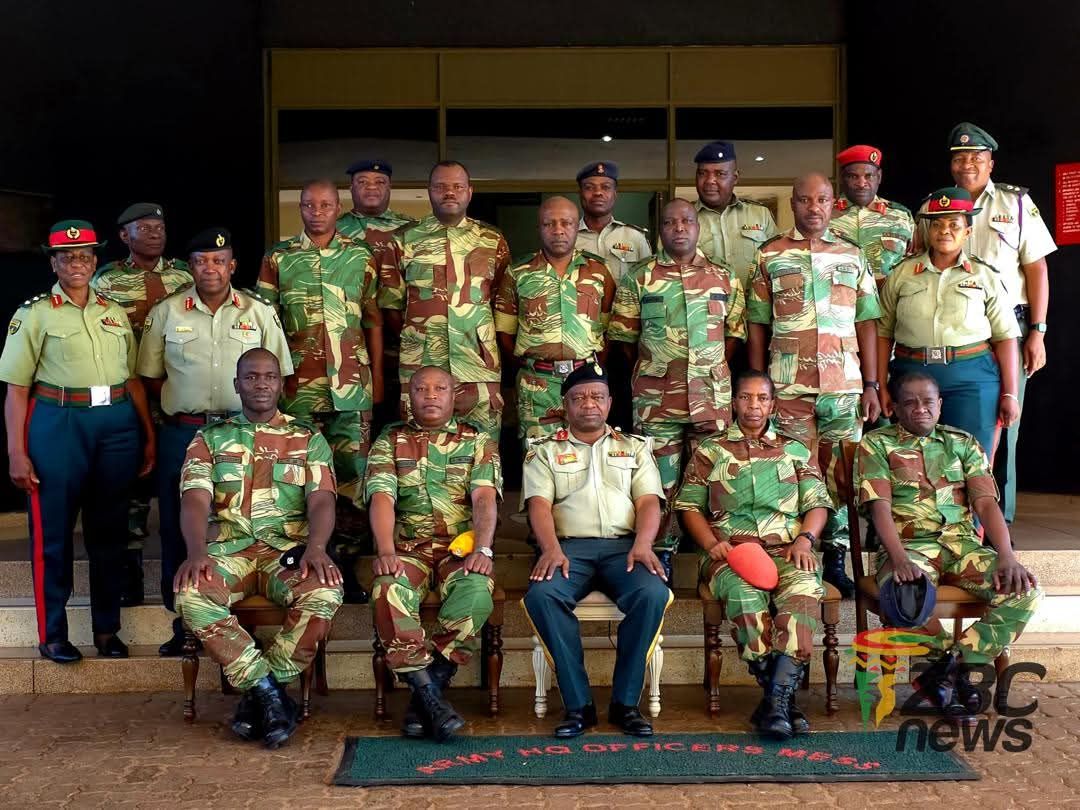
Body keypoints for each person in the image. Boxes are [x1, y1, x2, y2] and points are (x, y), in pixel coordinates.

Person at [0, 220, 155, 663]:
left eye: (85, 255)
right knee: (53, 534)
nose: (77, 263)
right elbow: (16, 389)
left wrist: (145, 436)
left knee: (109, 532)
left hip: (117, 423)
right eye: (67, 256)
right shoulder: (34, 313)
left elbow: (133, 379)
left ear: (95, 261)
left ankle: (107, 630)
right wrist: (16, 449)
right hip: (58, 421)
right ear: (53, 262)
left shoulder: (112, 309)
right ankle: (52, 635)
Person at [173, 348, 343, 749]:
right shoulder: (209, 439)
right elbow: (194, 498)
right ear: (237, 384)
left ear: (280, 384)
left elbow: (322, 499)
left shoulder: (307, 438)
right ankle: (267, 690)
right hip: (229, 551)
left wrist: (317, 547)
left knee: (325, 593)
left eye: (269, 376)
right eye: (251, 377)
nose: (260, 383)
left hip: (287, 553)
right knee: (191, 594)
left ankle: (261, 694)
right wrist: (197, 552)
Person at [137, 227, 293, 656]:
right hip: (185, 432)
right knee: (176, 522)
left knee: (251, 519)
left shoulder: (259, 312)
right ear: (190, 266)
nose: (211, 268)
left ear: (233, 266)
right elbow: (150, 377)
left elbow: (279, 373)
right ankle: (183, 620)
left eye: (219, 261)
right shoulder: (168, 312)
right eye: (202, 260)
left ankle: (240, 614)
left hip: (247, 432)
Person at [855, 371, 1043, 717]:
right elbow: (878, 507)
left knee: (1024, 589)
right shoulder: (877, 444)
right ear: (895, 408)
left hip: (962, 547)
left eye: (928, 402)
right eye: (909, 403)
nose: (920, 409)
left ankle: (947, 671)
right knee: (903, 595)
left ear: (940, 406)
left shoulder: (964, 443)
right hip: (909, 548)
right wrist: (897, 560)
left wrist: (1006, 555)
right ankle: (946, 676)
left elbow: (986, 503)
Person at [675, 370, 832, 739]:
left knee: (804, 595)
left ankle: (775, 703)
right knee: (745, 599)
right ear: (733, 402)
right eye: (746, 397)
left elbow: (818, 504)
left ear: (773, 404)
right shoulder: (710, 449)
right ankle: (783, 702)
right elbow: (689, 507)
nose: (754, 405)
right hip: (731, 552)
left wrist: (806, 540)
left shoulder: (795, 449)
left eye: (762, 398)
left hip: (788, 549)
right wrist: (711, 545)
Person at [747, 171, 881, 598]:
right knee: (792, 471)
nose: (813, 207)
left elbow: (868, 322)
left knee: (842, 474)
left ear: (832, 202)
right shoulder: (768, 255)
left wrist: (873, 384)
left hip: (844, 385)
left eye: (821, 199)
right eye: (804, 200)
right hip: (788, 388)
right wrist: (758, 387)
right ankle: (790, 555)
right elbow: (757, 325)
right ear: (793, 203)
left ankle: (837, 558)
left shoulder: (852, 255)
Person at [522, 362, 670, 739]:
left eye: (597, 397)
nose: (589, 404)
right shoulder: (544, 451)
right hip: (569, 549)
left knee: (652, 592)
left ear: (609, 403)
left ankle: (625, 705)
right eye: (579, 398)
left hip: (625, 548)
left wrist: (642, 544)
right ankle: (578, 706)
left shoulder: (635, 447)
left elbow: (650, 501)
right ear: (565, 405)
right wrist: (550, 548)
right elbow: (538, 505)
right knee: (543, 595)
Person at [257, 178, 382, 603]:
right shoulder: (278, 258)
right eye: (309, 204)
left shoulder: (360, 255)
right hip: (297, 389)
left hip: (351, 386)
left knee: (350, 479)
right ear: (300, 208)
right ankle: (301, 564)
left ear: (337, 207)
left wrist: (377, 377)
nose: (317, 211)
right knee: (298, 478)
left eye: (326, 204)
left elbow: (372, 319)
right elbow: (266, 325)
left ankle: (344, 566)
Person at [365, 365, 501, 742]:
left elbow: (485, 498)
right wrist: (386, 550)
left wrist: (484, 548)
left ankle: (426, 692)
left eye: (439, 388)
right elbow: (382, 496)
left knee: (476, 591)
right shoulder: (390, 440)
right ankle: (430, 695)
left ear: (454, 394)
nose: (430, 395)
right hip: (408, 548)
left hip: (460, 549)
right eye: (421, 388)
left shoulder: (477, 439)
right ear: (409, 395)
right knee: (387, 589)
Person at [929, 123, 1057, 523]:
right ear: (951, 164)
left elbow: (1036, 269)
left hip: (1010, 330)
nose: (967, 163)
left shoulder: (1014, 203)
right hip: (956, 331)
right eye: (959, 157)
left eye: (976, 157)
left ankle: (996, 524)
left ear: (990, 162)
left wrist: (1037, 331)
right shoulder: (938, 207)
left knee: (1003, 425)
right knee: (950, 429)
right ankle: (948, 522)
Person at [608, 198, 745, 566]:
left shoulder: (724, 276)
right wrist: (659, 367)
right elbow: (624, 340)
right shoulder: (638, 277)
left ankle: (713, 556)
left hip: (711, 397)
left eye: (686, 221)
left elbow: (733, 336)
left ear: (697, 227)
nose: (679, 228)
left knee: (714, 478)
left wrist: (708, 368)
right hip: (657, 399)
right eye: (670, 223)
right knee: (659, 480)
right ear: (660, 230)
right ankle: (663, 550)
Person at [92, 202, 193, 606]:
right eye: (144, 227)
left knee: (181, 485)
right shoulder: (106, 280)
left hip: (175, 395)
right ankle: (129, 570)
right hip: (128, 395)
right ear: (123, 235)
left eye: (160, 226)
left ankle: (185, 567)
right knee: (127, 486)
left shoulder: (185, 274)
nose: (155, 233)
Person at [877, 188, 1020, 457]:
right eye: (938, 225)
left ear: (967, 232)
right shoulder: (903, 273)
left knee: (972, 463)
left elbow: (1005, 336)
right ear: (927, 231)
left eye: (954, 225)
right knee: (912, 464)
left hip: (971, 378)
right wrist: (881, 385)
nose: (945, 231)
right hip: (911, 374)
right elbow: (883, 332)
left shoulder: (984, 275)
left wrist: (1010, 394)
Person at [381, 161, 510, 445]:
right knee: (417, 447)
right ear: (429, 191)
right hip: (421, 364)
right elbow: (391, 308)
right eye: (440, 187)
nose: (449, 193)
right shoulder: (403, 239)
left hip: (478, 364)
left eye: (457, 187)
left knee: (483, 447)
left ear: (470, 191)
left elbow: (503, 301)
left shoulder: (491, 239)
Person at [495, 195, 615, 444]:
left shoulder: (598, 271)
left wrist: (591, 365)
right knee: (537, 458)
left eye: (566, 223)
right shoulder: (518, 272)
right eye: (549, 224)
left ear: (575, 226)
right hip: (536, 385)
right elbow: (505, 334)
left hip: (585, 382)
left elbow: (608, 329)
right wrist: (531, 367)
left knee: (586, 455)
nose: (558, 230)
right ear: (539, 228)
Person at [336, 159, 416, 439]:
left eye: (379, 182)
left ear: (390, 187)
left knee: (405, 423)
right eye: (363, 182)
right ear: (350, 188)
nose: (372, 188)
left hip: (405, 346)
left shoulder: (410, 229)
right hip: (349, 343)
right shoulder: (335, 229)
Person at [691, 141, 779, 290]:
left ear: (735, 177)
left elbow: (776, 266)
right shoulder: (681, 221)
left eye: (720, 174)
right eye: (703, 173)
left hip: (755, 309)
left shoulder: (760, 215)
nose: (710, 181)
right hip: (704, 310)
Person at [829, 145, 914, 287]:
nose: (862, 183)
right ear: (843, 178)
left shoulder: (901, 217)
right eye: (853, 176)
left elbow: (916, 261)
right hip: (838, 304)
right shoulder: (824, 215)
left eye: (869, 176)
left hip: (887, 305)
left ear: (879, 177)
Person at [574, 161, 652, 284]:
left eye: (606, 187)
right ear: (580, 194)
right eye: (589, 187)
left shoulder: (635, 237)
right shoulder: (567, 238)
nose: (598, 193)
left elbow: (648, 285)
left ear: (615, 194)